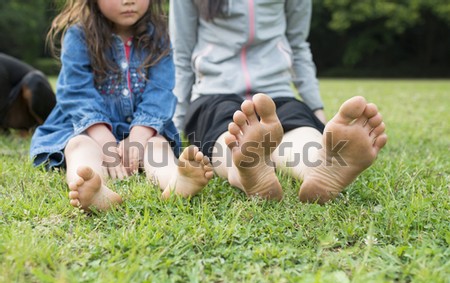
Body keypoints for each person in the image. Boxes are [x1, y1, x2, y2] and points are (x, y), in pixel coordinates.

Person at [169, 0, 387, 203]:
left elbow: (298, 46)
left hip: (276, 91)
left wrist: (316, 109)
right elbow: (181, 54)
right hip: (214, 92)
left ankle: (319, 168)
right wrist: (175, 123)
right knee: (227, 134)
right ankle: (244, 172)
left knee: (298, 126)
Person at [30, 0, 213, 211]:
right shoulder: (79, 36)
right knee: (79, 146)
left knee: (157, 144)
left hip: (142, 128)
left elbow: (161, 91)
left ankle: (176, 180)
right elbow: (76, 91)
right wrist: (101, 134)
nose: (129, 1)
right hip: (87, 127)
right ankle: (94, 189)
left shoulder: (159, 37)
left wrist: (139, 134)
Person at [0, 53, 55, 131]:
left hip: (38, 98)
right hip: (15, 110)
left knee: (35, 81)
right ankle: (26, 129)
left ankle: (48, 127)